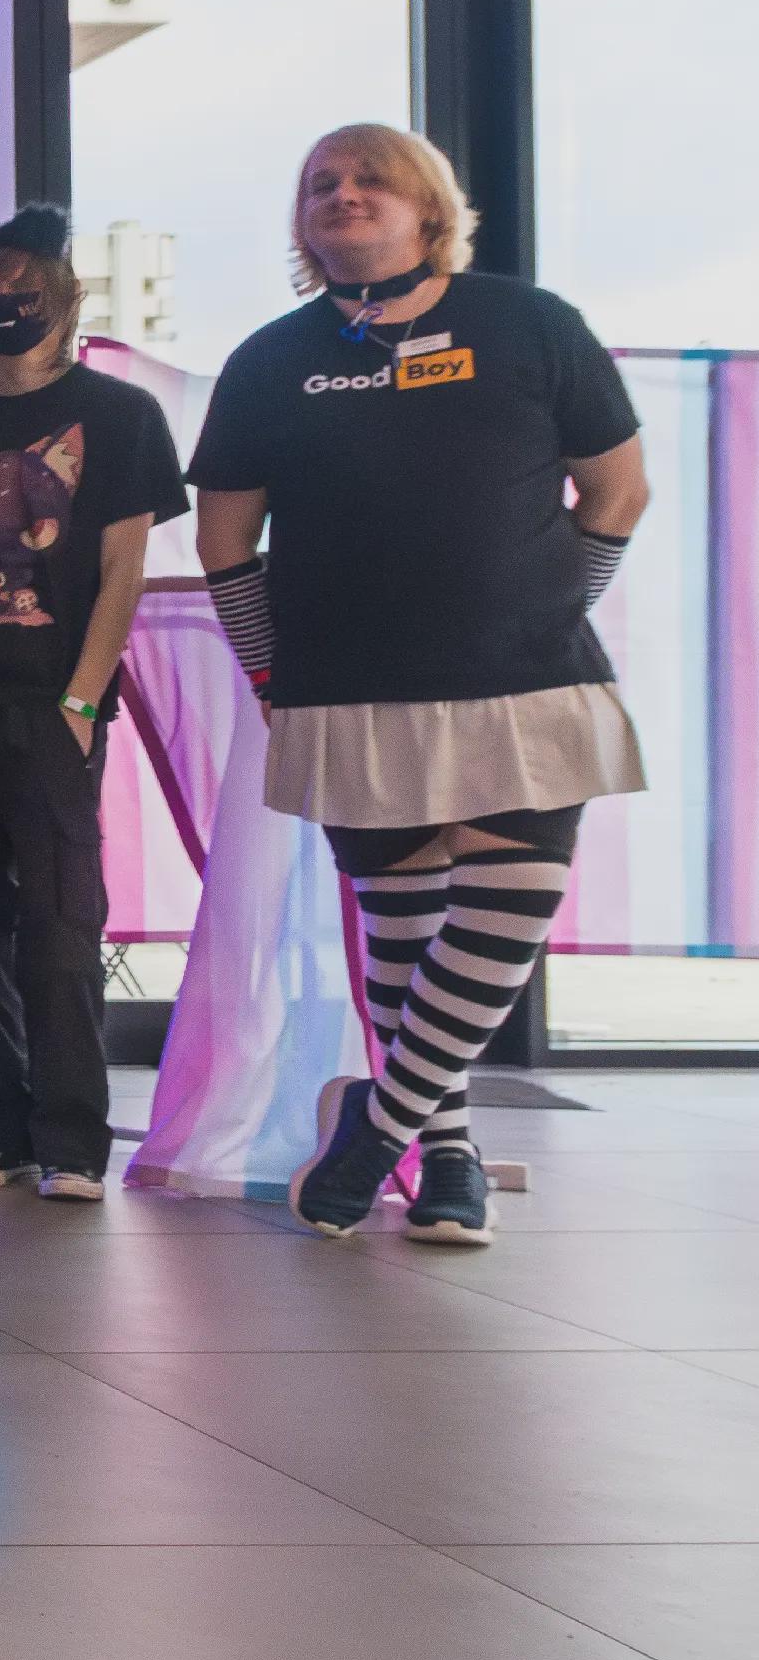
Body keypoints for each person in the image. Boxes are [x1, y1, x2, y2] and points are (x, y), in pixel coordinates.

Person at [196, 125, 647, 1246]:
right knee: (402, 945)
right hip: (346, 689)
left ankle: (377, 1129)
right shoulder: (268, 360)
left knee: (504, 916)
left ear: (429, 206)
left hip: (526, 683)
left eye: (370, 179)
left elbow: (618, 492)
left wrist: (554, 604)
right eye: (322, 184)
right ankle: (447, 1155)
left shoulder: (532, 324)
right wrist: (267, 671)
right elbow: (224, 545)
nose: (343, 195)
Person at [0, 208, 189, 1202]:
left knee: (65, 925)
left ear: (66, 300)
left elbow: (123, 572)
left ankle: (72, 1139)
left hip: (53, 710)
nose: (6, 307)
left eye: (24, 291)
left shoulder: (121, 417)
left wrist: (80, 701)